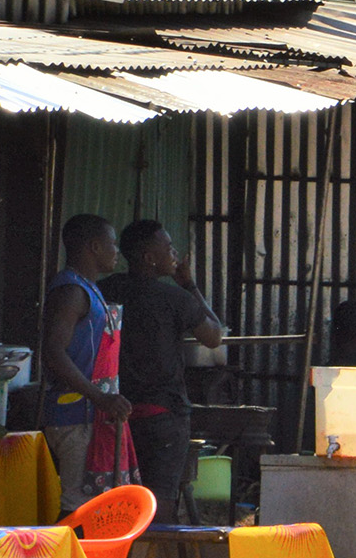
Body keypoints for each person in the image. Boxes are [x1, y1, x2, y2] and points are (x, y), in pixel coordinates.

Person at [105, 220, 224, 523]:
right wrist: (190, 285)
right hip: (163, 415)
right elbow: (214, 336)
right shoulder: (175, 297)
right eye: (168, 247)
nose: (174, 253)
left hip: (116, 411)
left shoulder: (107, 289)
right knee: (161, 501)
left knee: (118, 498)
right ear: (148, 257)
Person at [39, 213, 129, 515]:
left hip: (89, 414)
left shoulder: (88, 287)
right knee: (77, 507)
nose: (116, 251)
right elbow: (54, 352)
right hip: (73, 414)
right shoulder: (72, 291)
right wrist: (99, 397)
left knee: (91, 504)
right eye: (112, 244)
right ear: (93, 246)